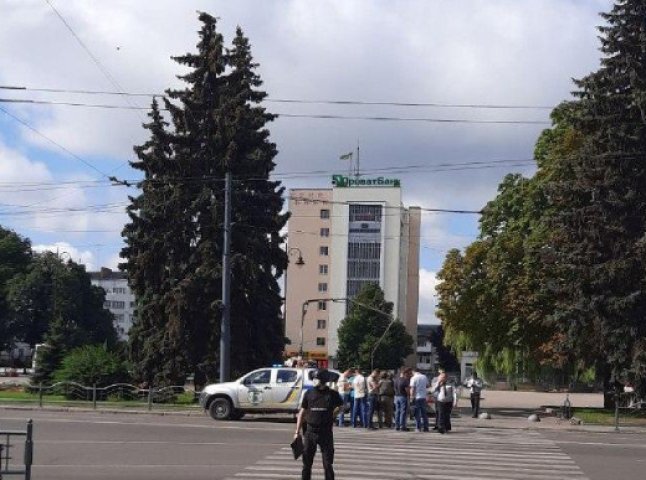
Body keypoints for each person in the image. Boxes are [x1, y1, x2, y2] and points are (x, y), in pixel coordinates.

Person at [295, 369, 343, 480]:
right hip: (310, 432)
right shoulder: (309, 393)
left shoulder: (332, 394)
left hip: (325, 433)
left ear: (323, 380)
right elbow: (302, 412)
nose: (314, 381)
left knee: (327, 464)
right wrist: (297, 432)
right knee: (307, 464)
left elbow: (341, 406)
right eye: (314, 378)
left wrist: (333, 414)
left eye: (316, 379)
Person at [409, 368, 430, 432]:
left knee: (417, 413)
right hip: (423, 397)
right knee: (424, 413)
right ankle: (426, 427)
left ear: (413, 371)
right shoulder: (424, 376)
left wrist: (411, 397)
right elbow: (428, 385)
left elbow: (412, 388)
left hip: (416, 397)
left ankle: (418, 428)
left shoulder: (413, 378)